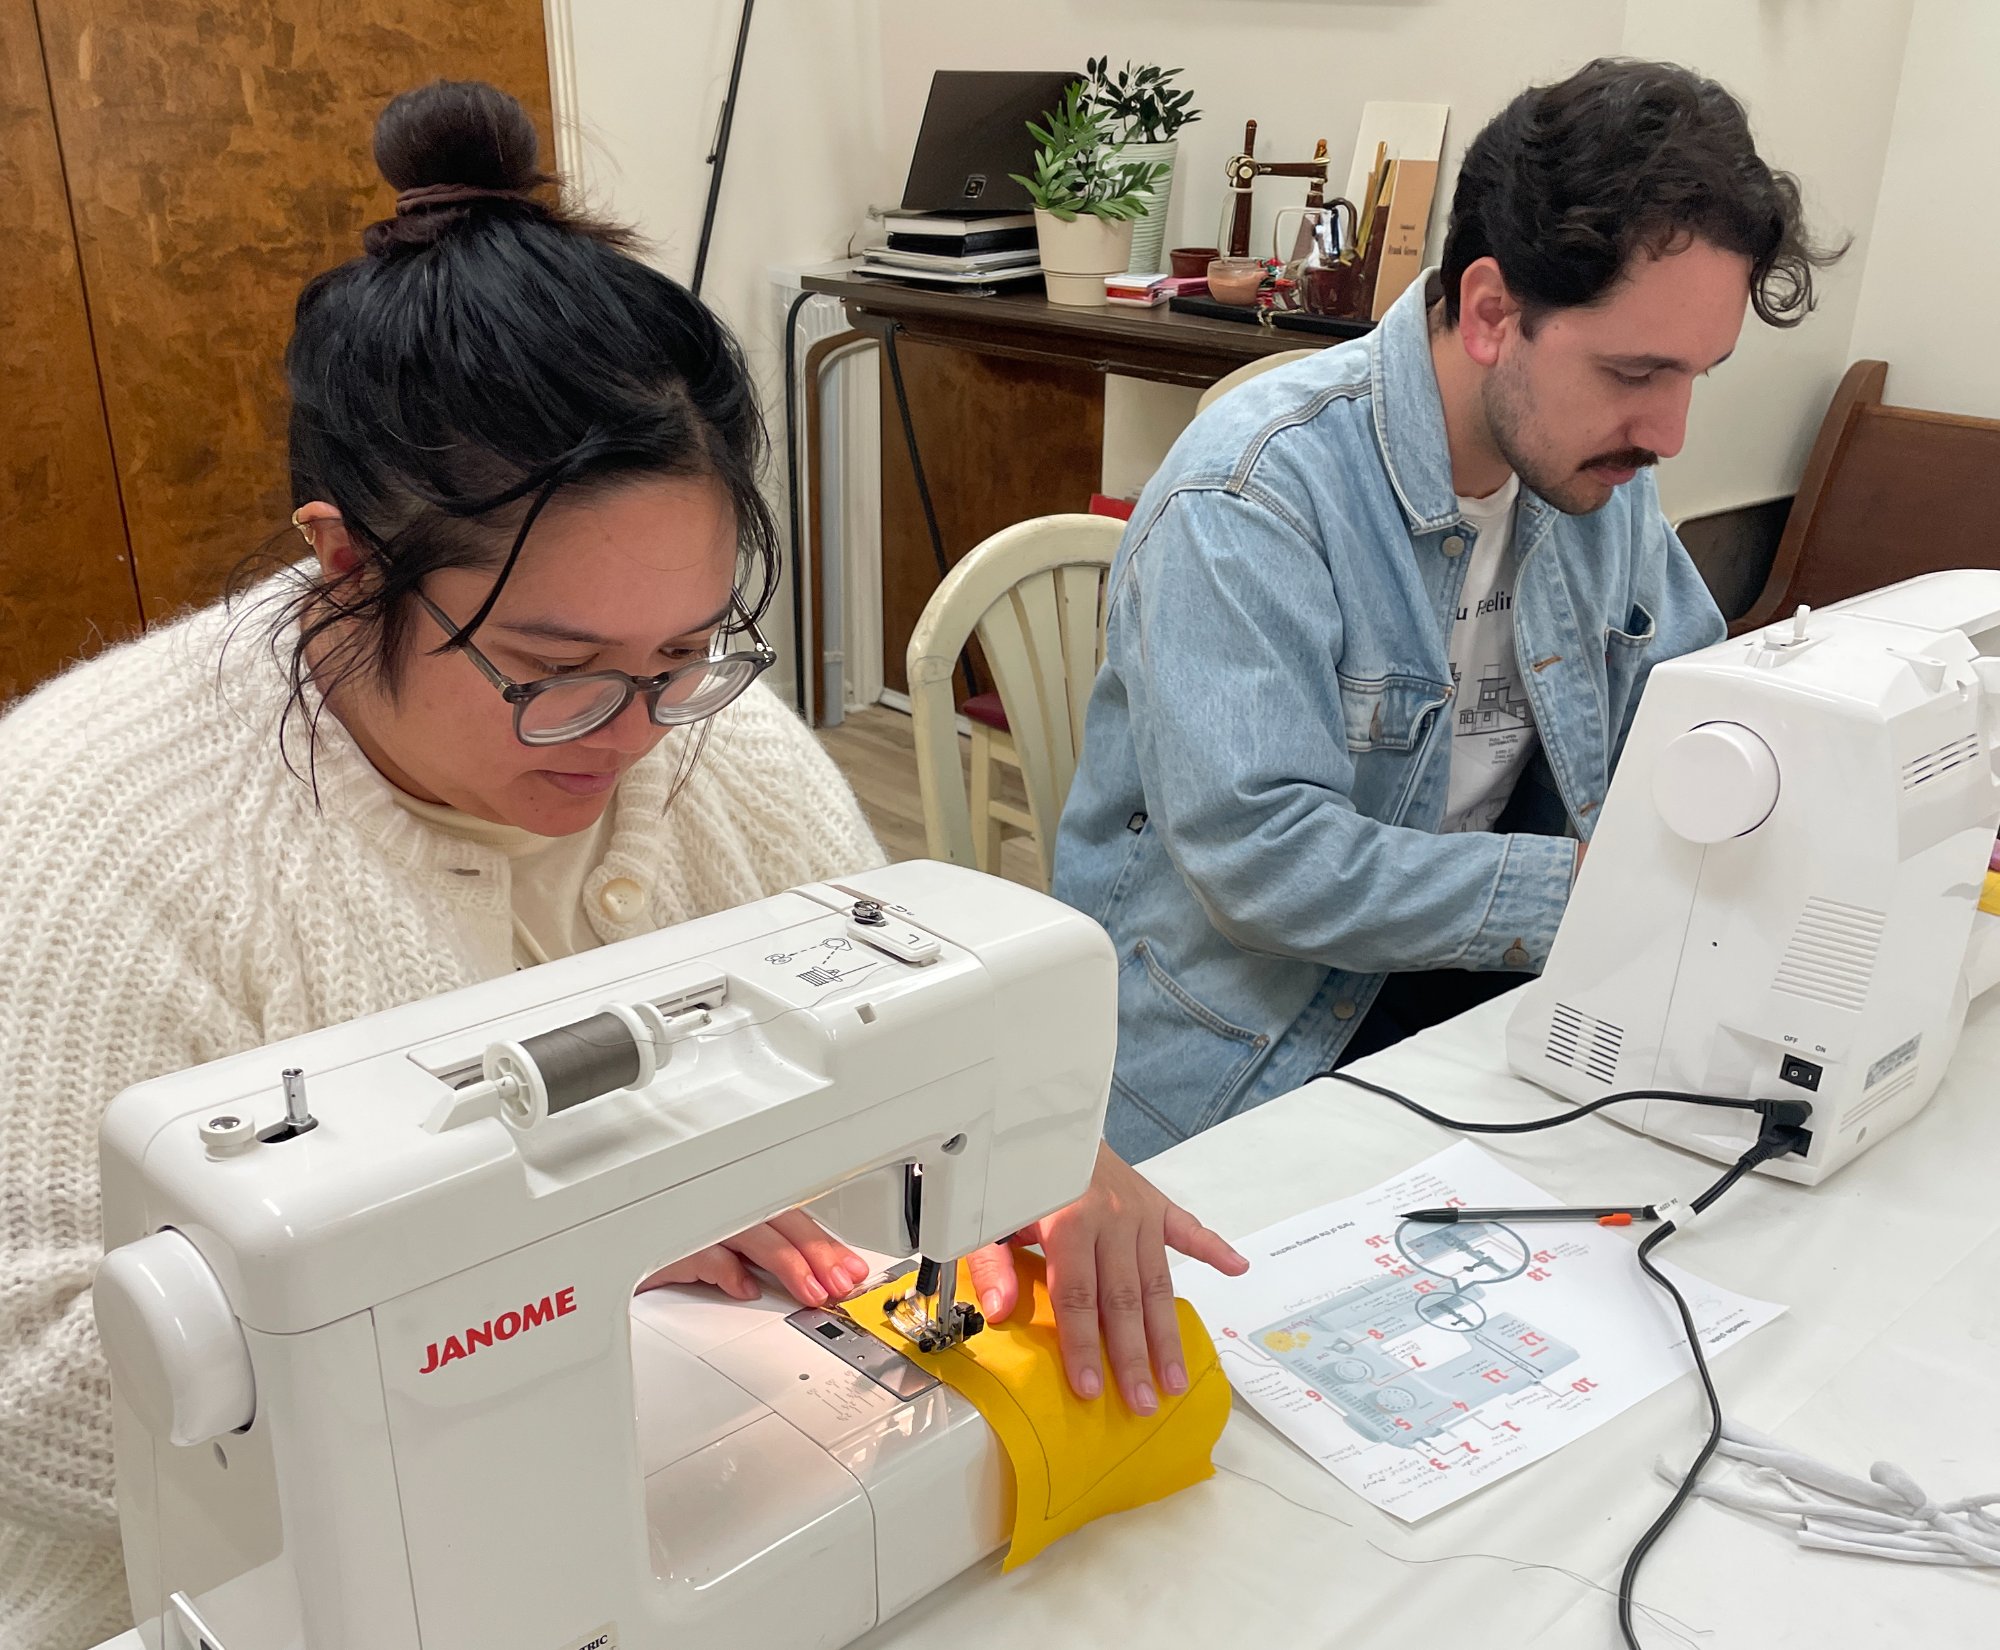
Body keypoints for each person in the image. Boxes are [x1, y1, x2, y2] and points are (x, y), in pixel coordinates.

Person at [0, 80, 1238, 1649]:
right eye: (555, 665)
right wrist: (602, 1228)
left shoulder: (687, 724)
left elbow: (904, 1015)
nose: (636, 733)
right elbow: (34, 1392)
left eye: (685, 651)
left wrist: (1038, 1138)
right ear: (344, 564)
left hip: (612, 1478)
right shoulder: (94, 824)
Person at [1049, 59, 1843, 1164]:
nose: (1669, 432)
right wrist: (1600, 890)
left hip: (1477, 1000)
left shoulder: (1596, 478)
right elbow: (1266, 865)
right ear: (1487, 312)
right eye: (1634, 373)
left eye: (1695, 375)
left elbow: (1682, 720)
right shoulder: (1251, 497)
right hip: (1241, 1061)